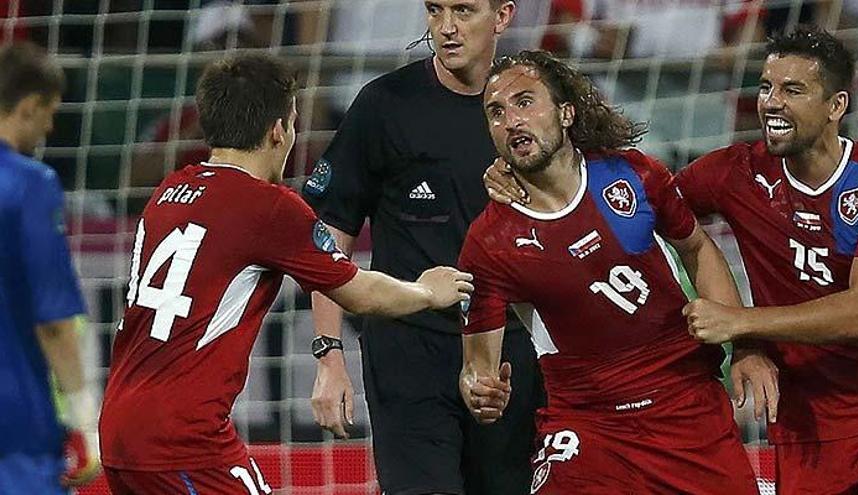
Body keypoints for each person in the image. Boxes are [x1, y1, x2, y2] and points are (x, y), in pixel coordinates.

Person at [98, 52, 474, 494]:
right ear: (279, 130)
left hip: (119, 425)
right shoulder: (269, 207)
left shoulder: (170, 190)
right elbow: (359, 292)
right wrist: (428, 291)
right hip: (181, 438)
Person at [459, 49, 758, 494]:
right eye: (496, 112)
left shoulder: (632, 177)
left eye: (525, 102)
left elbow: (697, 248)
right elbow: (476, 369)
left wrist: (744, 345)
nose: (511, 121)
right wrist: (479, 392)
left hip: (684, 402)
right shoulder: (490, 242)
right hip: (588, 421)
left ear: (565, 113)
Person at [302, 1, 543, 494]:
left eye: (464, 10)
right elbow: (328, 237)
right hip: (407, 352)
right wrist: (328, 356)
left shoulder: (529, 115)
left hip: (505, 354)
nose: (446, 27)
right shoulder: (384, 105)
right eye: (435, 10)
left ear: (503, 16)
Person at [674, 26, 858, 494]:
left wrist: (741, 324)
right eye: (766, 87)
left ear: (837, 106)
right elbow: (640, 207)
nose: (771, 102)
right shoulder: (735, 172)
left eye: (793, 90)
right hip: (801, 421)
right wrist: (746, 346)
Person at [0, 42, 100, 493]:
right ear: (27, 106)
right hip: (16, 423)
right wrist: (86, 417)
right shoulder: (30, 185)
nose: (50, 126)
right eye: (49, 112)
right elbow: (55, 323)